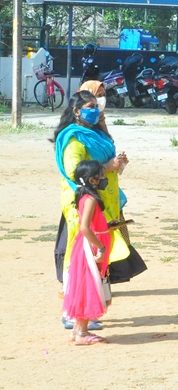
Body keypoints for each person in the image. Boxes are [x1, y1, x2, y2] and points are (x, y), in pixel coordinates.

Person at [52, 91, 128, 330]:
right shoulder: (74, 139)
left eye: (97, 106)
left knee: (96, 257)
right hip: (83, 201)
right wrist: (108, 166)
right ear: (76, 111)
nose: (95, 110)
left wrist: (117, 164)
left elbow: (108, 167)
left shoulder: (96, 134)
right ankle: (72, 313)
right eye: (90, 106)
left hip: (103, 200)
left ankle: (87, 310)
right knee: (80, 256)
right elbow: (77, 172)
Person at [63, 159, 113, 345]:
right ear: (92, 180)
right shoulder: (90, 199)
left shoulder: (83, 197)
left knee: (84, 284)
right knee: (88, 286)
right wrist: (100, 247)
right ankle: (82, 334)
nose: (103, 178)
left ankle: (77, 329)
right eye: (101, 175)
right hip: (90, 247)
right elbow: (85, 227)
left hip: (88, 244)